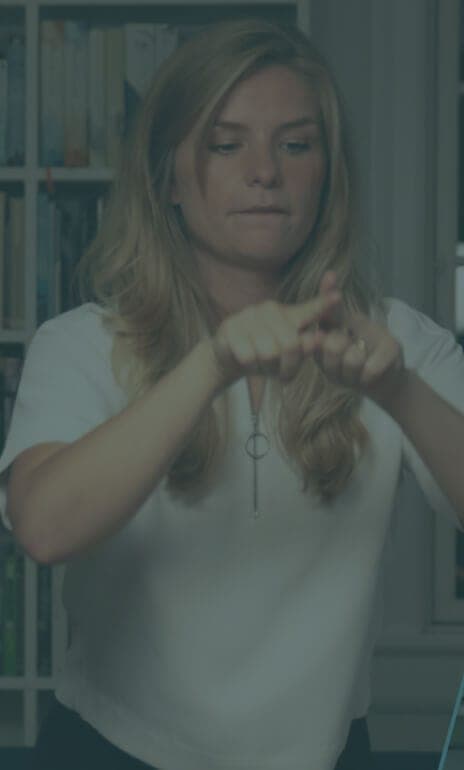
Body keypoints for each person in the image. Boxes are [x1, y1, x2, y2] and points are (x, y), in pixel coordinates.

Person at [0, 16, 463, 770]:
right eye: (225, 144)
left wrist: (400, 391)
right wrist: (209, 366)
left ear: (328, 175)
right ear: (168, 179)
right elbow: (43, 529)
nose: (265, 172)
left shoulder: (395, 340)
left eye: (296, 144)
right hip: (112, 754)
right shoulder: (80, 343)